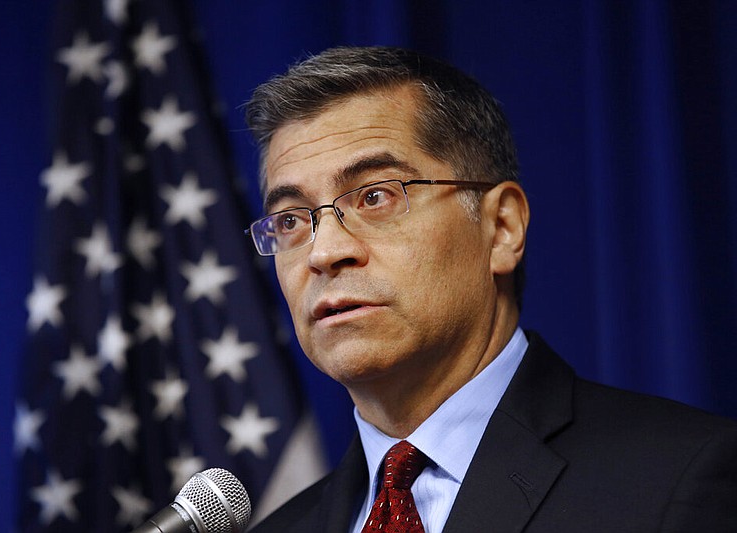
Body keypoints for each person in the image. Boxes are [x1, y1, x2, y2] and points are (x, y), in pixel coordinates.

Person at [242, 46, 737, 532]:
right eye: (289, 221)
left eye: (376, 196)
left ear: (501, 227)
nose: (324, 252)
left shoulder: (679, 480)